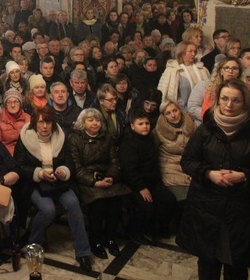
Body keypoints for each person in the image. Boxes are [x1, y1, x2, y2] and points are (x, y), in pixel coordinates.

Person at [177, 79, 250, 279]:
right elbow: (188, 161)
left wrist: (244, 176)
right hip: (206, 206)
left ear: (245, 103)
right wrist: (209, 173)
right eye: (224, 99)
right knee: (208, 263)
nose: (228, 105)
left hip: (241, 210)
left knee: (236, 265)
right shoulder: (206, 128)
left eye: (236, 100)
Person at [14, 107, 93, 272]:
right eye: (41, 122)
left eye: (48, 122)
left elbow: (70, 163)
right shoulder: (25, 138)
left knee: (73, 204)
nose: (44, 126)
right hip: (35, 183)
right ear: (35, 123)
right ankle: (33, 244)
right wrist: (40, 173)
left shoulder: (61, 137)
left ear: (53, 124)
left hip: (58, 182)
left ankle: (83, 252)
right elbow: (19, 167)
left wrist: (63, 171)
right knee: (47, 209)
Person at [67, 108, 130, 259]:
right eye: (90, 120)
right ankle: (95, 241)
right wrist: (94, 182)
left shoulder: (107, 137)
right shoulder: (74, 139)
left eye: (98, 120)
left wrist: (111, 177)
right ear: (83, 123)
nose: (95, 123)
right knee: (99, 203)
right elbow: (76, 168)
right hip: (86, 180)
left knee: (116, 200)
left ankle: (109, 238)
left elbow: (115, 162)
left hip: (106, 177)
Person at [118, 110, 176, 243]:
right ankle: (135, 230)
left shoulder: (150, 139)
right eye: (140, 124)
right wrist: (141, 187)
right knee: (146, 206)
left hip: (152, 182)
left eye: (147, 123)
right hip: (135, 184)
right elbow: (129, 171)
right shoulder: (128, 144)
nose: (145, 126)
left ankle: (154, 228)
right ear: (132, 126)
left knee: (169, 200)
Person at [153, 100, 195, 201]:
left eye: (175, 110)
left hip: (191, 170)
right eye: (168, 113)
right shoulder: (157, 132)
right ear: (164, 116)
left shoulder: (192, 126)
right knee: (182, 200)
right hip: (171, 172)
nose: (173, 115)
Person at [0, 88, 31, 156]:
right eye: (9, 102)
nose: (13, 105)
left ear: (20, 103)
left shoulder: (28, 118)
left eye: (16, 102)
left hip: (25, 155)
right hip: (6, 156)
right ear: (5, 104)